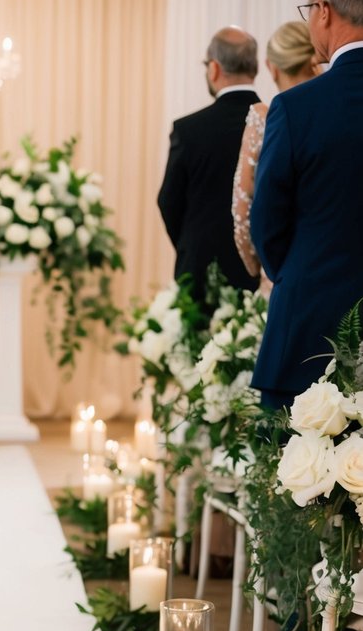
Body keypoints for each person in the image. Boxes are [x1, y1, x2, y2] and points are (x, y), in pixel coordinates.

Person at [251, 0, 363, 410]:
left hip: (305, 335)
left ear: (325, 11)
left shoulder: (295, 107)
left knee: (290, 470)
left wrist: (298, 276)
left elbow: (265, 222)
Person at [157, 27, 261, 302]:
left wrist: (192, 243)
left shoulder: (188, 129)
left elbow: (168, 201)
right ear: (256, 68)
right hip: (259, 271)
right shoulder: (276, 121)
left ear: (214, 68)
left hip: (199, 271)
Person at [232, 21, 318, 295]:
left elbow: (243, 215)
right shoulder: (336, 112)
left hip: (284, 278)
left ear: (271, 66)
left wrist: (263, 272)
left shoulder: (264, 118)